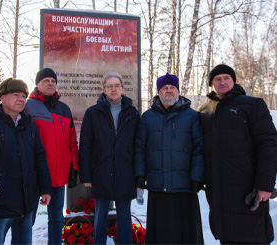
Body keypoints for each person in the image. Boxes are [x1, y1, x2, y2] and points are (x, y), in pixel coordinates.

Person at [198, 64, 277, 244]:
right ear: (211, 84)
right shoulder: (204, 111)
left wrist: (265, 184)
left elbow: (268, 144)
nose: (222, 82)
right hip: (219, 191)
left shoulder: (252, 105)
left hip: (248, 189)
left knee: (253, 236)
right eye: (217, 79)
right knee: (227, 236)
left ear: (234, 81)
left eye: (226, 78)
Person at [0, 78, 52, 245]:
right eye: (16, 95)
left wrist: (45, 188)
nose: (21, 99)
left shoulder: (29, 125)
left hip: (26, 203)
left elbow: (39, 158)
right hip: (0, 204)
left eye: (23, 96)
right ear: (2, 98)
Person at [134, 73, 205, 244]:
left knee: (186, 235)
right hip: (158, 186)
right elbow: (141, 148)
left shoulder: (192, 116)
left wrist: (197, 177)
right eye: (164, 88)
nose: (169, 91)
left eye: (172, 87)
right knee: (161, 235)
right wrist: (140, 174)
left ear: (178, 90)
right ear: (158, 92)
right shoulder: (148, 117)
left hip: (185, 186)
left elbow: (199, 148)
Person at [79, 72, 140, 244]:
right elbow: (85, 146)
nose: (114, 89)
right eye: (110, 86)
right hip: (101, 171)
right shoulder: (92, 113)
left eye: (117, 86)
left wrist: (138, 175)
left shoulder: (132, 113)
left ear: (122, 89)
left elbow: (138, 146)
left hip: (125, 172)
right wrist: (86, 176)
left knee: (124, 219)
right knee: (100, 219)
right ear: (104, 90)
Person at [24, 68, 79, 244]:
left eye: (53, 81)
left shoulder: (64, 109)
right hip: (33, 175)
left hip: (58, 175)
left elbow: (72, 142)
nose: (50, 83)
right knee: (26, 220)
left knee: (56, 219)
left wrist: (74, 168)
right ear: (37, 84)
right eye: (46, 80)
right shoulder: (27, 107)